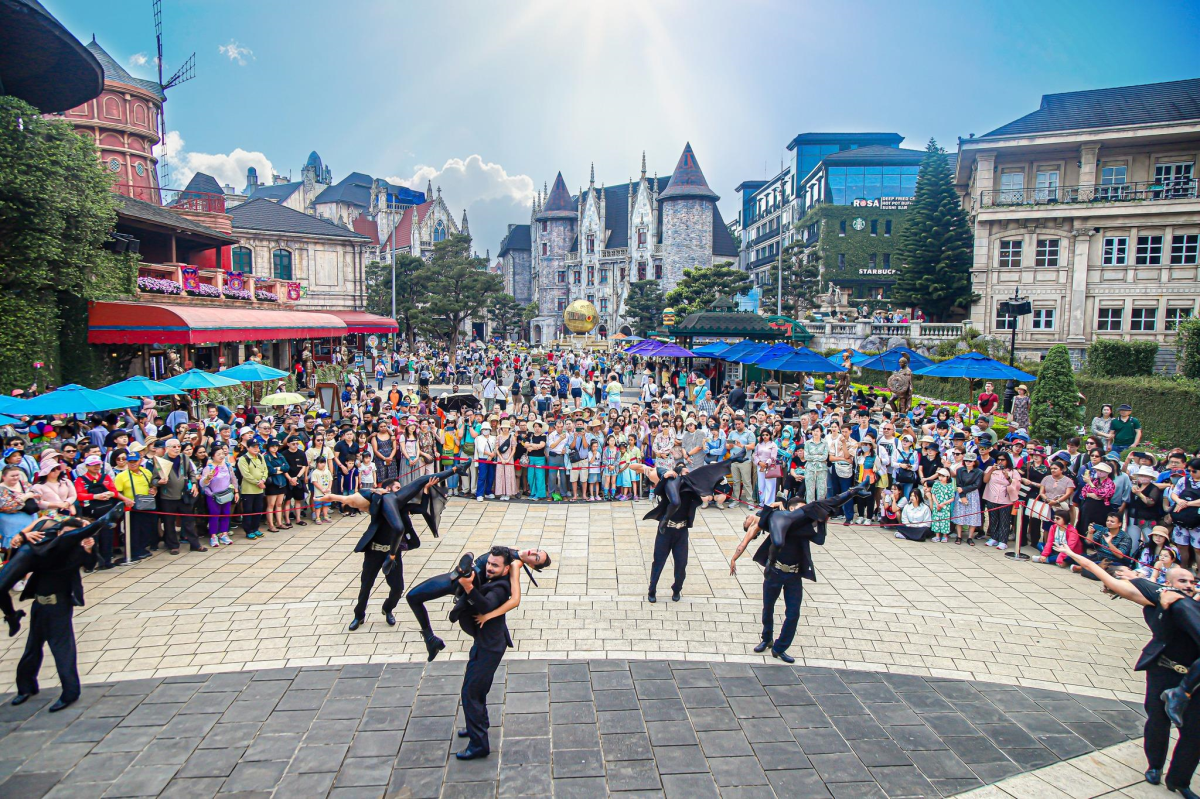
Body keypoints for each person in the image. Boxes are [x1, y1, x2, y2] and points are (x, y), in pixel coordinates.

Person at [728, 482, 868, 663]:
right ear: (791, 508)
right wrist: (734, 558)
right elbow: (748, 537)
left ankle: (780, 647)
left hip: (794, 575)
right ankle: (766, 638)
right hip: (775, 571)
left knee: (793, 613)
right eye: (800, 508)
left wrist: (822, 522)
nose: (804, 511)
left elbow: (819, 539)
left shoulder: (804, 525)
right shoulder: (776, 518)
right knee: (767, 608)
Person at [8, 517, 98, 711]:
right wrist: (21, 536)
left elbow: (90, 564)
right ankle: (26, 687)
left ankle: (70, 692)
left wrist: (89, 549)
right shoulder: (45, 548)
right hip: (39, 605)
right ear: (58, 533)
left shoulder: (74, 552)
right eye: (63, 533)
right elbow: (20, 551)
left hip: (59, 606)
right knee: (32, 648)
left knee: (62, 649)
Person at [405, 546, 550, 661]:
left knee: (468, 574)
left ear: (532, 566)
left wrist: (489, 616)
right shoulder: (515, 549)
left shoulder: (514, 565)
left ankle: (465, 571)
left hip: (470, 584)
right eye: (537, 550)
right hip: (456, 579)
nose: (532, 552)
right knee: (412, 597)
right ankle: (430, 639)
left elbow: (515, 600)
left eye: (536, 557)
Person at [633, 460, 734, 603]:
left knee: (681, 565)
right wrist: (663, 473)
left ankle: (677, 588)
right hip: (666, 530)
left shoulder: (692, 490)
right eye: (686, 472)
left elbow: (708, 489)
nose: (689, 474)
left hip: (681, 532)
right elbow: (651, 469)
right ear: (678, 474)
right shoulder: (670, 485)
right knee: (659, 562)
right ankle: (652, 588)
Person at [452, 549, 516, 760]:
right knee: (476, 689)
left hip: (489, 647)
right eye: (489, 563)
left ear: (506, 569)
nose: (489, 567)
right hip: (484, 643)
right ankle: (477, 726)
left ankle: (479, 744)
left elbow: (487, 604)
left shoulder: (500, 587)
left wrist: (469, 587)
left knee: (470, 692)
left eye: (495, 565)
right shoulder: (491, 578)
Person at [114, 450, 156, 561]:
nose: (133, 463)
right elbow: (116, 492)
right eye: (130, 461)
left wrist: (154, 490)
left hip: (146, 505)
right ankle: (133, 551)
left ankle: (142, 548)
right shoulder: (121, 476)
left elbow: (152, 485)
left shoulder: (147, 472)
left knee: (146, 528)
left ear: (140, 460)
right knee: (133, 530)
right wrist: (125, 499)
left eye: (135, 461)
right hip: (131, 508)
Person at [200, 445, 237, 548]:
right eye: (218, 454)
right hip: (213, 495)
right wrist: (208, 478)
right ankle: (213, 536)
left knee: (226, 514)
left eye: (223, 454)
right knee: (214, 515)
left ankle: (224, 534)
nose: (221, 456)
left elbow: (233, 479)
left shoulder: (228, 466)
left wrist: (236, 491)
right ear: (213, 456)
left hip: (226, 494)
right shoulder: (209, 468)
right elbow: (203, 484)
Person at [237, 439, 268, 540]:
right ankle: (248, 530)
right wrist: (257, 482)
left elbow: (265, 470)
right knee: (248, 511)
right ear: (248, 448)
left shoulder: (260, 456)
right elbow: (246, 474)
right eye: (253, 446)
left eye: (257, 446)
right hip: (248, 490)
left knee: (258, 510)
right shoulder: (243, 459)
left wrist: (263, 480)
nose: (256, 448)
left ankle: (255, 528)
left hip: (259, 489)